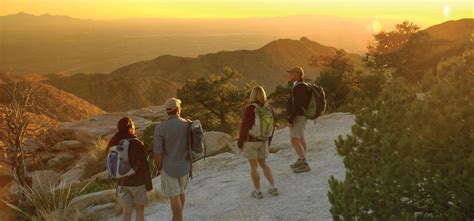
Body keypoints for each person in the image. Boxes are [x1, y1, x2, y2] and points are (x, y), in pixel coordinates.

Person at [153, 98, 192, 221]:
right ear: (178, 110)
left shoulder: (161, 128)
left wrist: (159, 168)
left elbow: (157, 152)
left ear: (167, 111)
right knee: (181, 192)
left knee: (174, 196)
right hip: (185, 165)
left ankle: (178, 219)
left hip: (169, 167)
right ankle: (177, 218)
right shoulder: (187, 124)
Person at [107, 117, 152, 221]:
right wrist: (148, 184)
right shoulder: (136, 143)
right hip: (138, 182)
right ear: (130, 128)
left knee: (127, 211)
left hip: (122, 183)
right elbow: (144, 165)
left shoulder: (114, 142)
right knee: (139, 209)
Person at [238, 86, 278, 199]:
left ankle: (258, 191)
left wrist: (240, 142)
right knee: (264, 164)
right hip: (263, 141)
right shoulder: (269, 109)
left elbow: (244, 127)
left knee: (253, 166)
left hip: (251, 141)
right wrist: (268, 142)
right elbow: (272, 127)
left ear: (252, 95)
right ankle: (274, 187)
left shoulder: (250, 109)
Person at [287, 66, 311, 173]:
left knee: (294, 139)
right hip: (302, 115)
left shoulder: (299, 87)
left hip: (299, 116)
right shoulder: (300, 86)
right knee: (301, 138)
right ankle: (301, 160)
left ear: (297, 74)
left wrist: (290, 120)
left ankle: (304, 163)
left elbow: (297, 105)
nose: (290, 75)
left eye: (291, 73)